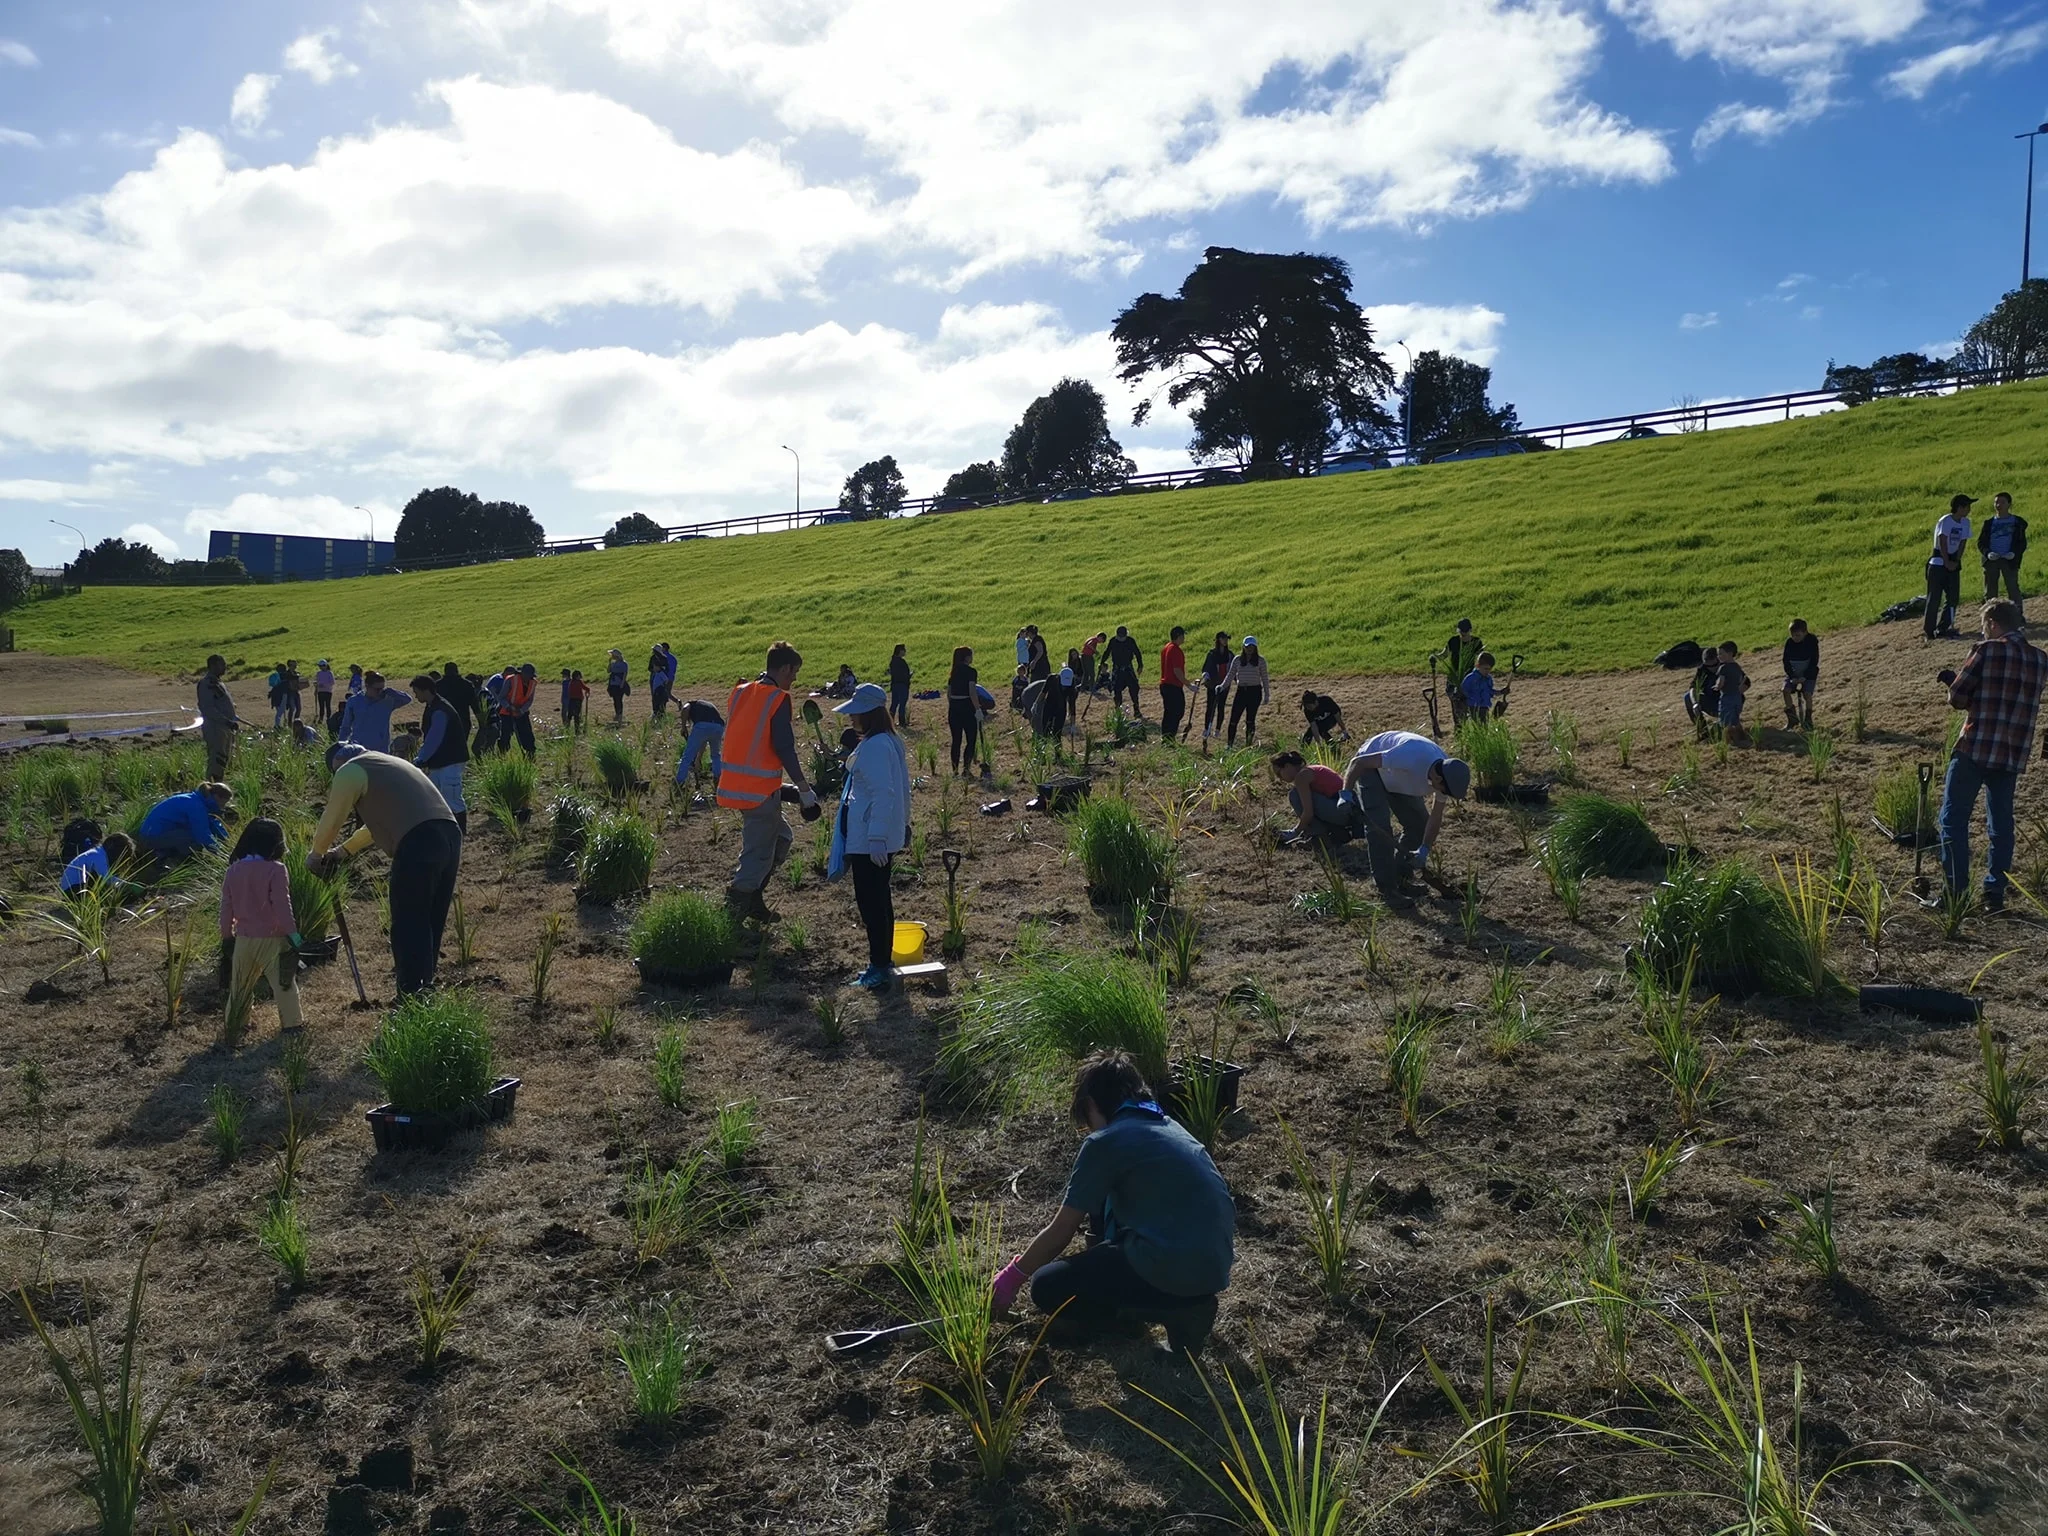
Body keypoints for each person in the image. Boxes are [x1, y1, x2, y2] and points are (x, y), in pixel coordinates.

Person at [991, 1052, 1234, 1358]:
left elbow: (1062, 1229)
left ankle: (1144, 1312)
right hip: (1212, 1269)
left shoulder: (1106, 1141)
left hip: (1170, 1267)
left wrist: (1012, 1277)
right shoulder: (1167, 1126)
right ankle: (1188, 1306)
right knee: (1103, 1206)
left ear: (1092, 1105)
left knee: (1047, 1285)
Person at [308, 742, 463, 996]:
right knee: (430, 920)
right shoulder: (388, 764)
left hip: (419, 842)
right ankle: (424, 990)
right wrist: (343, 851)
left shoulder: (349, 770)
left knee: (408, 921)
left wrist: (317, 854)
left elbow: (333, 817)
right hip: (449, 835)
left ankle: (411, 996)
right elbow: (378, 825)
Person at [1935, 600, 2047, 912]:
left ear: (1994, 624)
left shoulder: (1985, 650)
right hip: (2011, 751)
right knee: (2001, 824)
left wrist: (1952, 684)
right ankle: (1994, 893)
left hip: (1977, 744)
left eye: (1986, 626)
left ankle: (1955, 893)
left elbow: (1958, 698)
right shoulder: (2041, 659)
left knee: (1953, 820)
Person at [716, 641, 819, 923]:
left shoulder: (741, 692)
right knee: (758, 855)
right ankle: (732, 921)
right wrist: (804, 788)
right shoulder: (776, 698)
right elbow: (784, 746)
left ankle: (753, 900)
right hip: (758, 793)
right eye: (795, 671)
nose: (795, 678)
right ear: (785, 667)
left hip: (736, 785)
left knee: (782, 837)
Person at [829, 683, 911, 991]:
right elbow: (901, 789)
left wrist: (877, 836)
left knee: (872, 902)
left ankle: (878, 966)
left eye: (856, 713)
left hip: (870, 839)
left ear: (870, 714)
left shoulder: (877, 746)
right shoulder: (886, 741)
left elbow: (884, 792)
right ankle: (881, 961)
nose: (851, 718)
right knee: (879, 899)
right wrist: (902, 825)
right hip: (875, 835)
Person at [1341, 730, 1471, 906]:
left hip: (1398, 778)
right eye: (1444, 790)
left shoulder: (1446, 776)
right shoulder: (1410, 755)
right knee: (1380, 828)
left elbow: (1435, 817)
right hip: (1372, 769)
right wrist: (1345, 793)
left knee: (1419, 825)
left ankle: (1401, 878)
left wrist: (1424, 849)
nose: (1443, 794)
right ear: (1438, 778)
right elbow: (1359, 762)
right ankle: (1387, 889)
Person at [220, 817, 303, 1039]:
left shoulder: (233, 870)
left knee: (239, 987)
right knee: (284, 985)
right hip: (272, 939)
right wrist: (293, 934)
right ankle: (292, 1025)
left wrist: (227, 937)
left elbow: (226, 908)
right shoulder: (276, 870)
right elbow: (282, 905)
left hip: (243, 939)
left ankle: (235, 1022)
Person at [411, 673, 471, 834]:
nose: (415, 696)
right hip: (442, 761)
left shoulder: (440, 710)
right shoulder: (434, 706)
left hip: (450, 761)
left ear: (425, 690)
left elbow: (433, 739)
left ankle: (460, 834)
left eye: (416, 692)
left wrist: (420, 759)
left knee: (453, 799)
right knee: (436, 798)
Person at [1271, 752, 1358, 844]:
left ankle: (1318, 836)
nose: (1280, 778)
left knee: (1294, 795)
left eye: (1279, 773)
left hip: (1344, 812)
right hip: (1348, 811)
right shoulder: (1310, 771)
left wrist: (1294, 832)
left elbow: (1308, 813)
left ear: (1287, 766)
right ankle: (1335, 833)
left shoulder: (1302, 777)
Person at [137, 783, 234, 863]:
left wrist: (226, 843)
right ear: (217, 797)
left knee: (192, 834)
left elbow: (212, 824)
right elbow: (202, 834)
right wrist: (223, 854)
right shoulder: (196, 806)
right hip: (150, 838)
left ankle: (168, 854)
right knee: (194, 837)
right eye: (223, 803)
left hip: (154, 834)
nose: (222, 807)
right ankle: (178, 860)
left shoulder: (196, 800)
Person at [1925, 495, 1974, 641]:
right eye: (1967, 507)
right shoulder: (1946, 520)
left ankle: (1944, 627)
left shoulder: (1965, 522)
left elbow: (1962, 542)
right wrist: (1946, 561)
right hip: (1938, 563)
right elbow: (1943, 541)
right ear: (1959, 507)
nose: (1969, 510)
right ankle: (1929, 630)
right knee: (1934, 598)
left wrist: (1956, 560)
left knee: (1953, 598)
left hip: (1953, 562)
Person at [1978, 492, 2028, 618]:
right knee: (1990, 591)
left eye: (2002, 502)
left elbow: (2022, 543)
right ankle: (1990, 617)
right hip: (1992, 561)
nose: (1998, 505)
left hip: (2008, 560)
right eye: (1996, 502)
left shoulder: (2017, 522)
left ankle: (2017, 615)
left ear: (2009, 504)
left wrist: (2014, 553)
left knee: (2013, 588)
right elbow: (1981, 542)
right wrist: (1988, 553)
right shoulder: (1989, 523)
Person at [338, 671, 411, 754]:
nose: (380, 692)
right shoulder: (354, 701)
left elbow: (407, 699)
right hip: (359, 748)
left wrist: (391, 691)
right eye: (377, 689)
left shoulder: (387, 701)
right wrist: (341, 744)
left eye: (382, 689)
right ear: (367, 686)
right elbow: (346, 726)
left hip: (381, 749)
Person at [197, 654, 240, 780]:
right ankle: (212, 788)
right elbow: (208, 708)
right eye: (222, 664)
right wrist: (226, 721)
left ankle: (218, 787)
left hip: (225, 727)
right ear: (213, 666)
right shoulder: (207, 683)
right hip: (216, 728)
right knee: (217, 759)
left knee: (224, 759)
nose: (225, 667)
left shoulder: (218, 683)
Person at [1221, 637, 1269, 746]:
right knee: (1234, 719)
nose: (1249, 649)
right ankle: (1229, 744)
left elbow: (1265, 678)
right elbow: (1230, 675)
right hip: (1242, 691)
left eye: (1251, 647)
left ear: (1255, 647)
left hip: (1255, 692)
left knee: (1250, 720)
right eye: (1247, 647)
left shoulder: (1260, 661)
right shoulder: (1237, 660)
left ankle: (1248, 744)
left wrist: (1267, 695)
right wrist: (1222, 686)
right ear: (1243, 647)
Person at [674, 698, 726, 790]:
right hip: (719, 727)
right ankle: (718, 779)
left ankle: (679, 782)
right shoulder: (707, 706)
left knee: (687, 756)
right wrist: (698, 759)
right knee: (716, 755)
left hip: (702, 726)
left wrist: (683, 727)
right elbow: (703, 741)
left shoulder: (690, 704)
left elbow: (685, 709)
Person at [62, 831, 136, 895]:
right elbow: (107, 879)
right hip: (74, 888)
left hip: (73, 886)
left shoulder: (100, 853)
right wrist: (129, 886)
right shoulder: (97, 856)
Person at [945, 646, 981, 775]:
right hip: (966, 705)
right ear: (967, 657)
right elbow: (972, 692)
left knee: (956, 740)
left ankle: (954, 770)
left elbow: (948, 693)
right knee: (971, 738)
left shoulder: (953, 672)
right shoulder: (971, 672)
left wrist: (953, 705)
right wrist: (978, 709)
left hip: (954, 706)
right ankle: (966, 768)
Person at [1443, 619, 1484, 727]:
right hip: (1454, 678)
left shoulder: (1476, 642)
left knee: (1470, 704)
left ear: (1470, 630)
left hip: (1469, 677)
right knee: (1456, 705)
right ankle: (1459, 727)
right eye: (1461, 631)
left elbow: (1482, 658)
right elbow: (1444, 654)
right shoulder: (1453, 641)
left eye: (1465, 632)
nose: (1463, 634)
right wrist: (1434, 658)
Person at [1782, 620, 1820, 728]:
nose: (1795, 638)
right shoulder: (1789, 643)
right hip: (1793, 673)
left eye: (1798, 635)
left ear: (1805, 633)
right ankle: (1792, 719)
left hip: (1809, 673)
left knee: (1807, 694)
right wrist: (1792, 676)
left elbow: (1814, 661)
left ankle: (1808, 719)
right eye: (1793, 635)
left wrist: (1806, 676)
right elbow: (1785, 661)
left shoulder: (1812, 642)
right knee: (1785, 691)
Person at [496, 663, 538, 755]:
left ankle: (530, 753)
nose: (528, 677)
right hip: (507, 713)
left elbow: (530, 700)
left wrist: (522, 710)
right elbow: (501, 697)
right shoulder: (511, 680)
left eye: (530, 675)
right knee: (505, 736)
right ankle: (502, 754)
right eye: (526, 674)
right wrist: (508, 707)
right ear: (521, 673)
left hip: (522, 713)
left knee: (527, 735)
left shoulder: (533, 683)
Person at [1713, 641, 1750, 744]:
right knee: (1735, 718)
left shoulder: (1723, 668)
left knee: (1725, 720)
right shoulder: (1737, 667)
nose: (1718, 656)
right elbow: (1741, 680)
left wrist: (1717, 686)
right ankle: (1741, 735)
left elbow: (1721, 681)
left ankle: (1727, 740)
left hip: (1726, 697)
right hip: (1737, 697)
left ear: (1729, 654)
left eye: (1721, 653)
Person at [1199, 631, 1232, 742]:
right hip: (1213, 685)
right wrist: (1206, 676)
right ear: (1218, 640)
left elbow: (1233, 669)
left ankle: (1217, 729)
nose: (1225, 641)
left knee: (1221, 707)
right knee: (1210, 707)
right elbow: (1206, 668)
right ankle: (1206, 728)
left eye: (1226, 639)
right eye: (1223, 639)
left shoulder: (1230, 655)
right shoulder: (1212, 654)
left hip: (1224, 685)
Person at [1105, 626, 1143, 717]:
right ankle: (1118, 710)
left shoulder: (1130, 641)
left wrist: (1140, 665)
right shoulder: (1113, 641)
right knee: (1117, 690)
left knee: (1134, 688)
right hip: (1117, 669)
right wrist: (1102, 662)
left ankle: (1136, 709)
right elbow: (1107, 652)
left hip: (1128, 668)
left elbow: (1137, 653)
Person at [1158, 627, 1188, 739]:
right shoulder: (1175, 650)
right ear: (1179, 636)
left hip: (1166, 685)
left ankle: (1166, 737)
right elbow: (1177, 671)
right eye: (1183, 636)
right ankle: (1169, 737)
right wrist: (1188, 684)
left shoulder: (1166, 647)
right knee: (1177, 712)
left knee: (1169, 712)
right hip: (1172, 686)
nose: (1184, 638)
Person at [1684, 650, 1721, 737]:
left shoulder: (1727, 667)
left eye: (1714, 665)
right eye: (1708, 666)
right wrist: (1695, 703)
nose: (1711, 668)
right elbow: (1693, 687)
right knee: (1687, 697)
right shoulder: (1702, 670)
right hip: (1711, 701)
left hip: (1726, 703)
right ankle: (1703, 730)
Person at [1459, 652, 1497, 720]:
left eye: (1489, 669)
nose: (1487, 671)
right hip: (1473, 706)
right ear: (1478, 666)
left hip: (1484, 705)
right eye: (1485, 669)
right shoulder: (1471, 678)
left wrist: (1500, 692)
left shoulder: (1488, 679)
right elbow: (1464, 690)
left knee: (1485, 723)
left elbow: (1489, 691)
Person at [887, 644, 912, 727]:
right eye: (904, 650)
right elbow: (904, 674)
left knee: (894, 703)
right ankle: (902, 722)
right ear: (900, 651)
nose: (905, 651)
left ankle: (890, 721)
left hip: (895, 684)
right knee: (902, 704)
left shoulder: (893, 661)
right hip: (902, 685)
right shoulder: (901, 662)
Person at [649, 643, 677, 719]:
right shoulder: (653, 658)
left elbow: (667, 669)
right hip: (653, 677)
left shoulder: (664, 658)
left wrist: (660, 669)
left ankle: (662, 711)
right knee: (654, 695)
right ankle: (655, 711)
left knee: (663, 694)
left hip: (662, 678)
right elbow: (649, 668)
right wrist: (653, 670)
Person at [606, 648, 631, 723]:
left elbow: (624, 674)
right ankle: (617, 713)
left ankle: (620, 714)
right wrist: (609, 663)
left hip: (619, 684)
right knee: (615, 700)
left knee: (619, 699)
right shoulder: (614, 663)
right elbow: (608, 671)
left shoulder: (624, 664)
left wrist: (622, 684)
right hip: (613, 684)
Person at [313, 660, 336, 727]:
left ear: (326, 666)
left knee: (327, 705)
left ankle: (328, 718)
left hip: (328, 691)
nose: (321, 667)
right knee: (321, 706)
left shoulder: (329, 673)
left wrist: (324, 685)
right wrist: (316, 690)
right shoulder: (318, 673)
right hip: (320, 691)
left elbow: (332, 682)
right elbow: (317, 682)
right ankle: (321, 718)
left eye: (323, 666)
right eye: (320, 666)